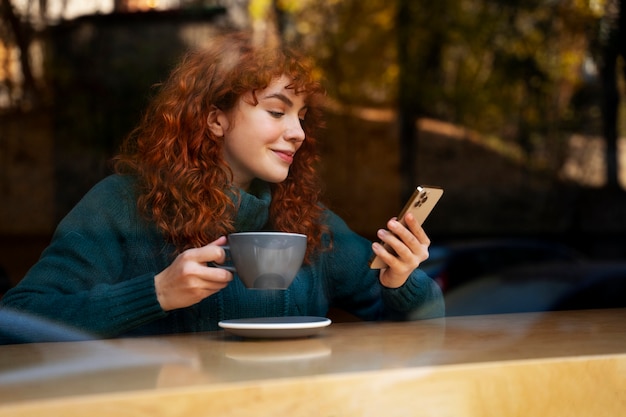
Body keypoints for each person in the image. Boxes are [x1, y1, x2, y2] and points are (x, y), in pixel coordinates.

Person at [0, 31, 443, 342]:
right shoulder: (121, 205)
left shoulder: (308, 221)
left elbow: (428, 324)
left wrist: (400, 280)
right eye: (276, 111)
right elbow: (17, 322)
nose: (298, 133)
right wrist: (155, 294)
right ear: (215, 118)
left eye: (302, 117)